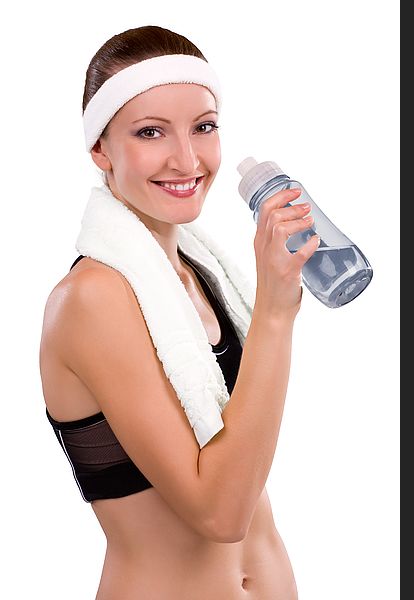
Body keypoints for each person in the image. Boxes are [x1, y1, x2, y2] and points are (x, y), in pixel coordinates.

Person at [39, 25, 320, 600]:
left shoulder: (204, 275)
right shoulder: (93, 298)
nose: (187, 158)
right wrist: (273, 311)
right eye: (150, 132)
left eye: (204, 127)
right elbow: (219, 514)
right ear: (100, 150)